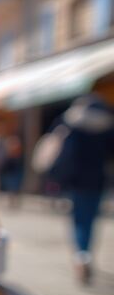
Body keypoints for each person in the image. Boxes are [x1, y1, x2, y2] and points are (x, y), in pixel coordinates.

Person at [35, 94, 114, 284]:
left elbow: (56, 145)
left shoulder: (71, 120)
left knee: (78, 218)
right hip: (97, 180)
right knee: (90, 219)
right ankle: (86, 254)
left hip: (76, 180)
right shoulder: (108, 123)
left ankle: (80, 255)